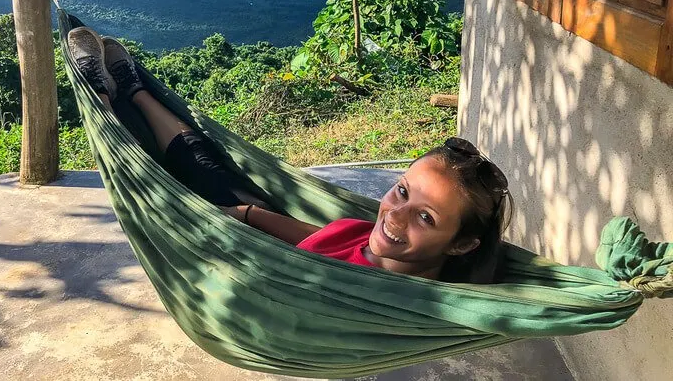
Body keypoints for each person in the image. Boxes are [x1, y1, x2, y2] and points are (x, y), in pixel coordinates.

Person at [68, 26, 514, 284]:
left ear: (462, 244)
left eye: (427, 218)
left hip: (237, 264)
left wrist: (223, 226)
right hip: (248, 229)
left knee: (155, 191)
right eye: (401, 192)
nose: (395, 215)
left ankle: (107, 103)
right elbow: (311, 236)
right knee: (204, 163)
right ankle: (132, 89)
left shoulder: (392, 295)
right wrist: (241, 214)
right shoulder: (377, 242)